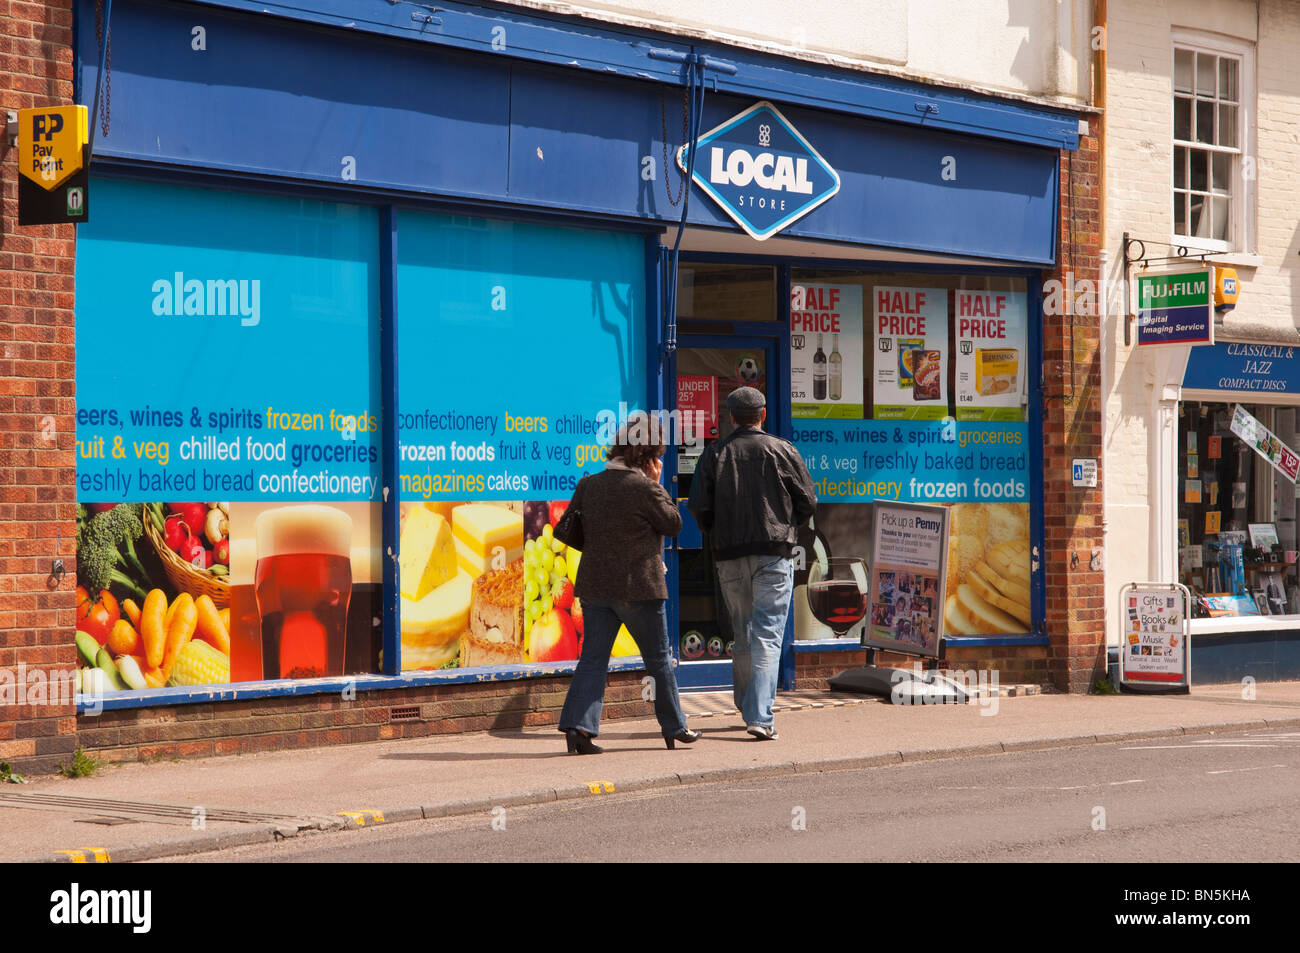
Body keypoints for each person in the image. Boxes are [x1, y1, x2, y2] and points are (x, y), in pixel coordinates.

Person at [557, 414, 700, 755]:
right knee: (658, 661)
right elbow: (675, 524)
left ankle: (579, 730)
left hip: (594, 587)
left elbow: (568, 530)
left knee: (593, 660)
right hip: (640, 589)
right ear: (648, 456)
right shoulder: (646, 488)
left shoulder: (588, 484)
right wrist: (660, 483)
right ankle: (674, 727)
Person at [688, 386, 816, 740]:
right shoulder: (782, 450)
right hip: (773, 553)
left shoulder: (715, 454)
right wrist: (789, 525)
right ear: (763, 415)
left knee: (743, 633)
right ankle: (759, 717)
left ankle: (747, 708)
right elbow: (807, 501)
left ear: (730, 417)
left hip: (729, 555)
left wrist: (717, 531)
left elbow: (698, 506)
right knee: (767, 635)